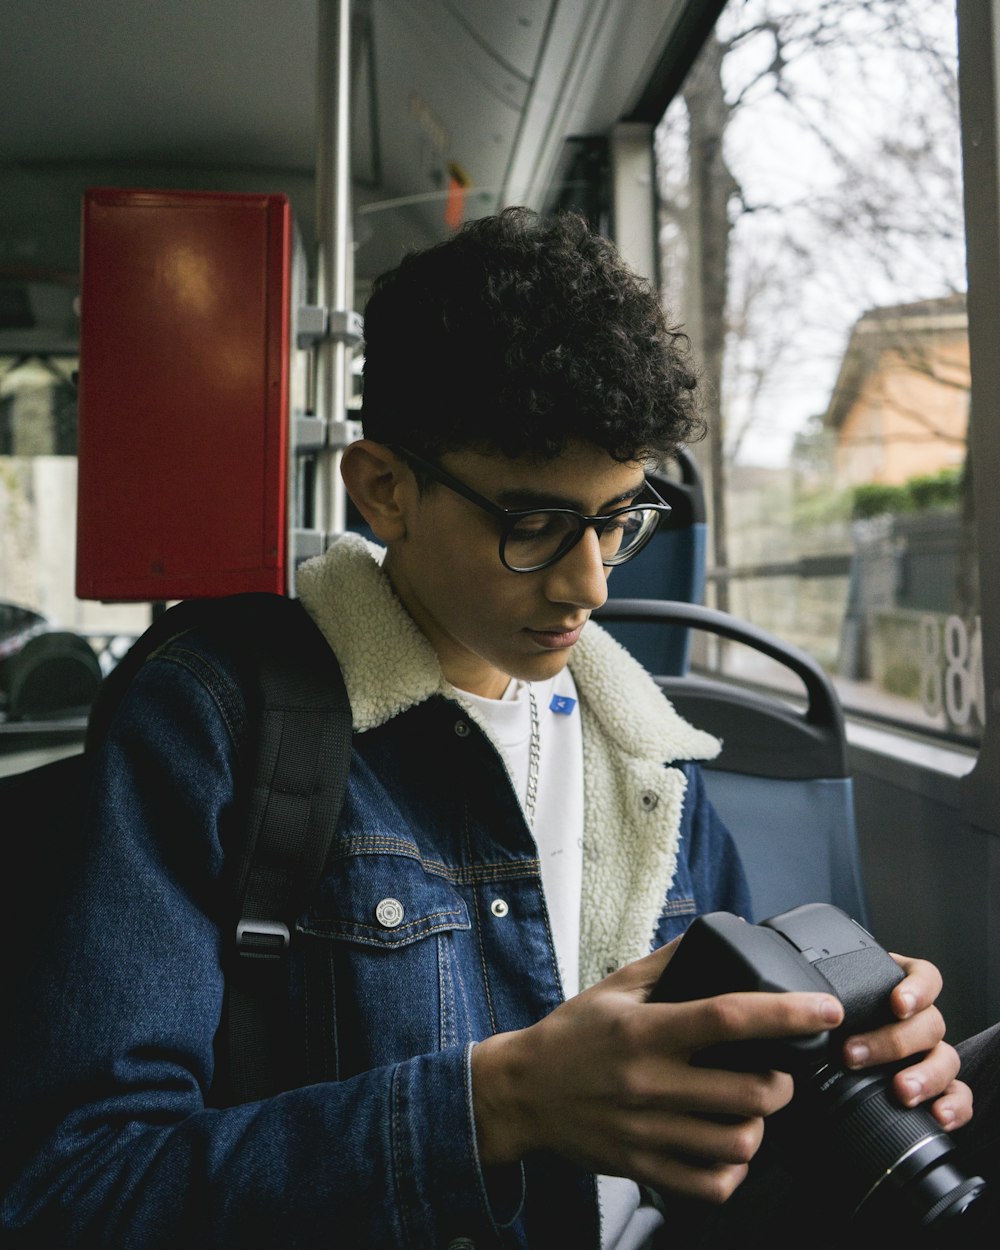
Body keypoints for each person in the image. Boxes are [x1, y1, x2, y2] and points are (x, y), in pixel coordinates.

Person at [0, 208, 980, 1248]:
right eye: (535, 525)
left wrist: (849, 1068)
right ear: (385, 490)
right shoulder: (214, 719)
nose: (591, 582)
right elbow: (75, 1193)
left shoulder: (646, 759)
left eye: (615, 517)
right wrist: (497, 1104)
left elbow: (728, 1120)